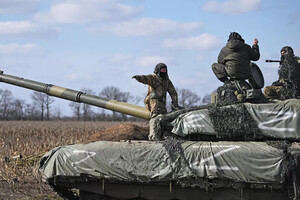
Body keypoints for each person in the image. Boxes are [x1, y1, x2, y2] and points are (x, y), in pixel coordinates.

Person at [132, 63, 181, 140]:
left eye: (165, 70)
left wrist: (175, 103)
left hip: (162, 103)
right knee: (155, 116)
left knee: (163, 118)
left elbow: (173, 92)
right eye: (162, 70)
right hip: (152, 102)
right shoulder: (153, 78)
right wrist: (138, 77)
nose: (164, 72)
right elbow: (145, 78)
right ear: (158, 70)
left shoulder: (166, 81)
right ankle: (153, 136)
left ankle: (162, 134)